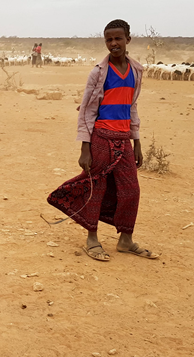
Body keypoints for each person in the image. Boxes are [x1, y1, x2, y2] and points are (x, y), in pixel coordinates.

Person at [47, 19, 159, 262]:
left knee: (131, 191)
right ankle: (92, 239)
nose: (113, 43)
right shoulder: (98, 73)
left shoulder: (136, 71)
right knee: (96, 188)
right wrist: (84, 148)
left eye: (118, 38)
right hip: (101, 138)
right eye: (109, 39)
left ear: (128, 39)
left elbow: (132, 107)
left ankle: (126, 240)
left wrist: (137, 141)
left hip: (124, 139)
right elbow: (86, 111)